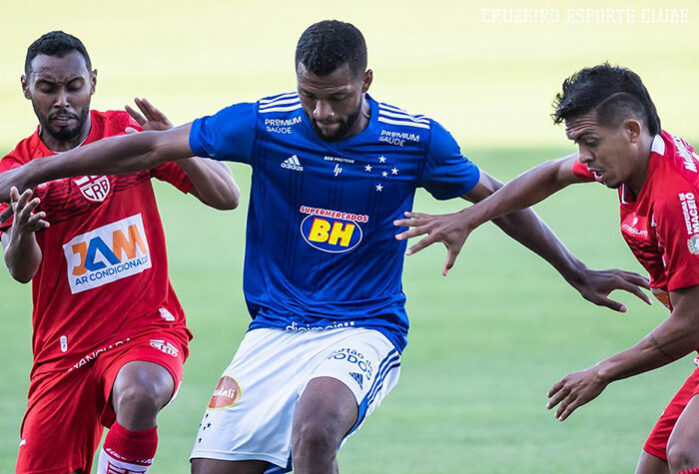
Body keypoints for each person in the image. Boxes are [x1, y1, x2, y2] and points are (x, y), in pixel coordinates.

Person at [0, 24, 650, 474]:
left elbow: (493, 193)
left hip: (363, 327)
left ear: (365, 79)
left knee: (314, 433)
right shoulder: (268, 121)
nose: (322, 113)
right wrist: (27, 174)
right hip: (274, 331)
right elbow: (149, 146)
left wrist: (574, 269)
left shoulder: (411, 140)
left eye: (336, 97)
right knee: (212, 467)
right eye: (310, 96)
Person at [395, 63, 699, 474]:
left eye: (590, 142)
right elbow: (552, 174)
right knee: (656, 466)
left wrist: (601, 372)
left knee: (684, 453)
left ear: (631, 130)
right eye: (577, 143)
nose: (583, 158)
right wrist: (470, 218)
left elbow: (690, 324)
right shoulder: (642, 158)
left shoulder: (674, 199)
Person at [0, 31, 240, 474]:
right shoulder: (14, 171)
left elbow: (227, 196)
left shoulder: (129, 135)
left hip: (145, 327)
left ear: (92, 81)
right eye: (47, 88)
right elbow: (20, 270)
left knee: (141, 390)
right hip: (64, 351)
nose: (62, 100)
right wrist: (22, 234)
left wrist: (175, 142)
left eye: (74, 86)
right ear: (25, 88)